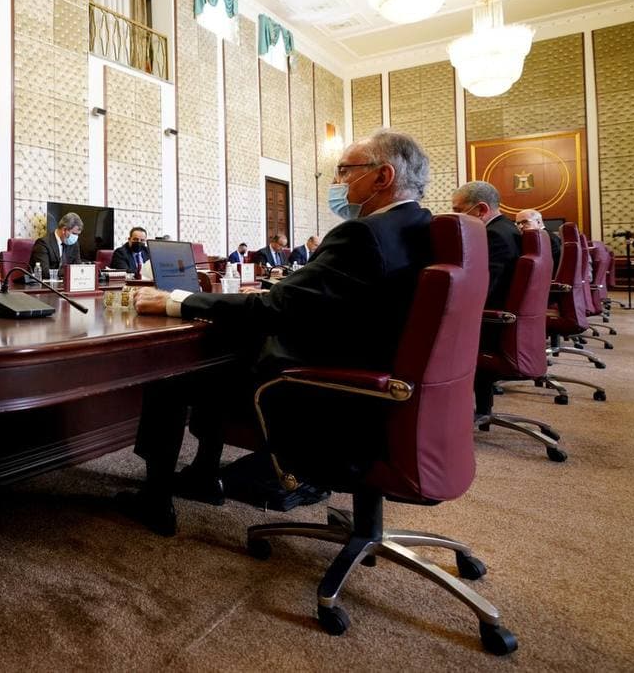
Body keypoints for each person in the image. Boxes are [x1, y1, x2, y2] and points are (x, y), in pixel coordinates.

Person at [117, 129, 435, 536]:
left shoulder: (364, 233)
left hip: (326, 393)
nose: (337, 181)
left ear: (382, 176)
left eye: (344, 171)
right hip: (381, 383)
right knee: (223, 360)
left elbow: (275, 310)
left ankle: (155, 500)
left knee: (173, 375)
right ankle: (201, 474)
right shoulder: (419, 226)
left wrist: (175, 301)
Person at [453, 182, 521, 309]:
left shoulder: (493, 235)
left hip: (490, 313)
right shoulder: (508, 227)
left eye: (458, 210)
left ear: (481, 210)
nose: (456, 216)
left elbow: (484, 288)